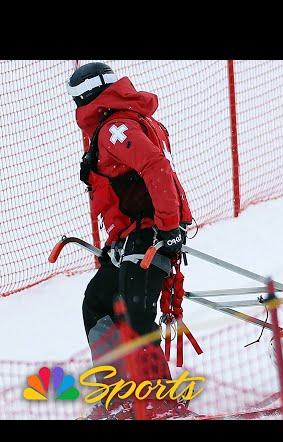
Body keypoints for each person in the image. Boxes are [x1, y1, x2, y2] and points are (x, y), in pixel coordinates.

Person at [67, 62, 194, 419]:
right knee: (98, 301)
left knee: (136, 311)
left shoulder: (116, 128)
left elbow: (156, 167)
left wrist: (168, 228)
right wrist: (116, 241)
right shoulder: (124, 122)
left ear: (86, 96)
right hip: (133, 236)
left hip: (151, 234)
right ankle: (120, 396)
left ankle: (157, 402)